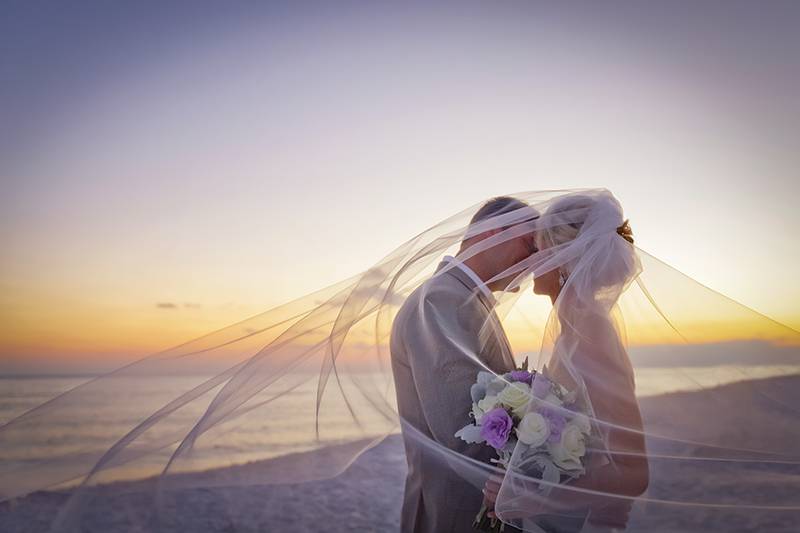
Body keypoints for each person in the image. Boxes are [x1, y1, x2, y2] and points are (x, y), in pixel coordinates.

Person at [390, 196, 538, 532]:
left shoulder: (463, 297)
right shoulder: (441, 299)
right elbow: (462, 430)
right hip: (454, 511)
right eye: (530, 243)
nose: (536, 259)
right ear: (492, 232)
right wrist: (542, 481)